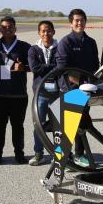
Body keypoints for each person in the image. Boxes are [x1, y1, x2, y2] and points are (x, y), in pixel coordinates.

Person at [56, 8, 100, 165]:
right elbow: (63, 68)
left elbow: (95, 66)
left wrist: (91, 84)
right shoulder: (65, 42)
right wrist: (80, 84)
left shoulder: (90, 42)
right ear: (71, 23)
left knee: (82, 124)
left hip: (86, 90)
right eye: (76, 20)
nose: (79, 23)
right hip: (70, 90)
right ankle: (63, 158)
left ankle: (79, 155)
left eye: (82, 20)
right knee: (67, 126)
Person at [0, 16, 31, 164]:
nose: (7, 29)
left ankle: (19, 154)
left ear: (15, 28)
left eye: (10, 27)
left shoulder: (25, 47)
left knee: (18, 127)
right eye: (4, 27)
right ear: (0, 29)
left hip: (18, 95)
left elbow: (34, 66)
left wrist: (24, 68)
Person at [27, 20, 58, 166]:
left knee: (58, 125)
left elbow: (61, 66)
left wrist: (46, 67)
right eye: (43, 31)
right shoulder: (33, 49)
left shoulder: (60, 48)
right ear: (39, 33)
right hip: (41, 94)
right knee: (38, 125)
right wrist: (52, 67)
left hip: (57, 93)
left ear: (53, 32)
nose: (46, 33)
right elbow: (34, 68)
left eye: (49, 30)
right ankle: (39, 154)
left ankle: (59, 155)